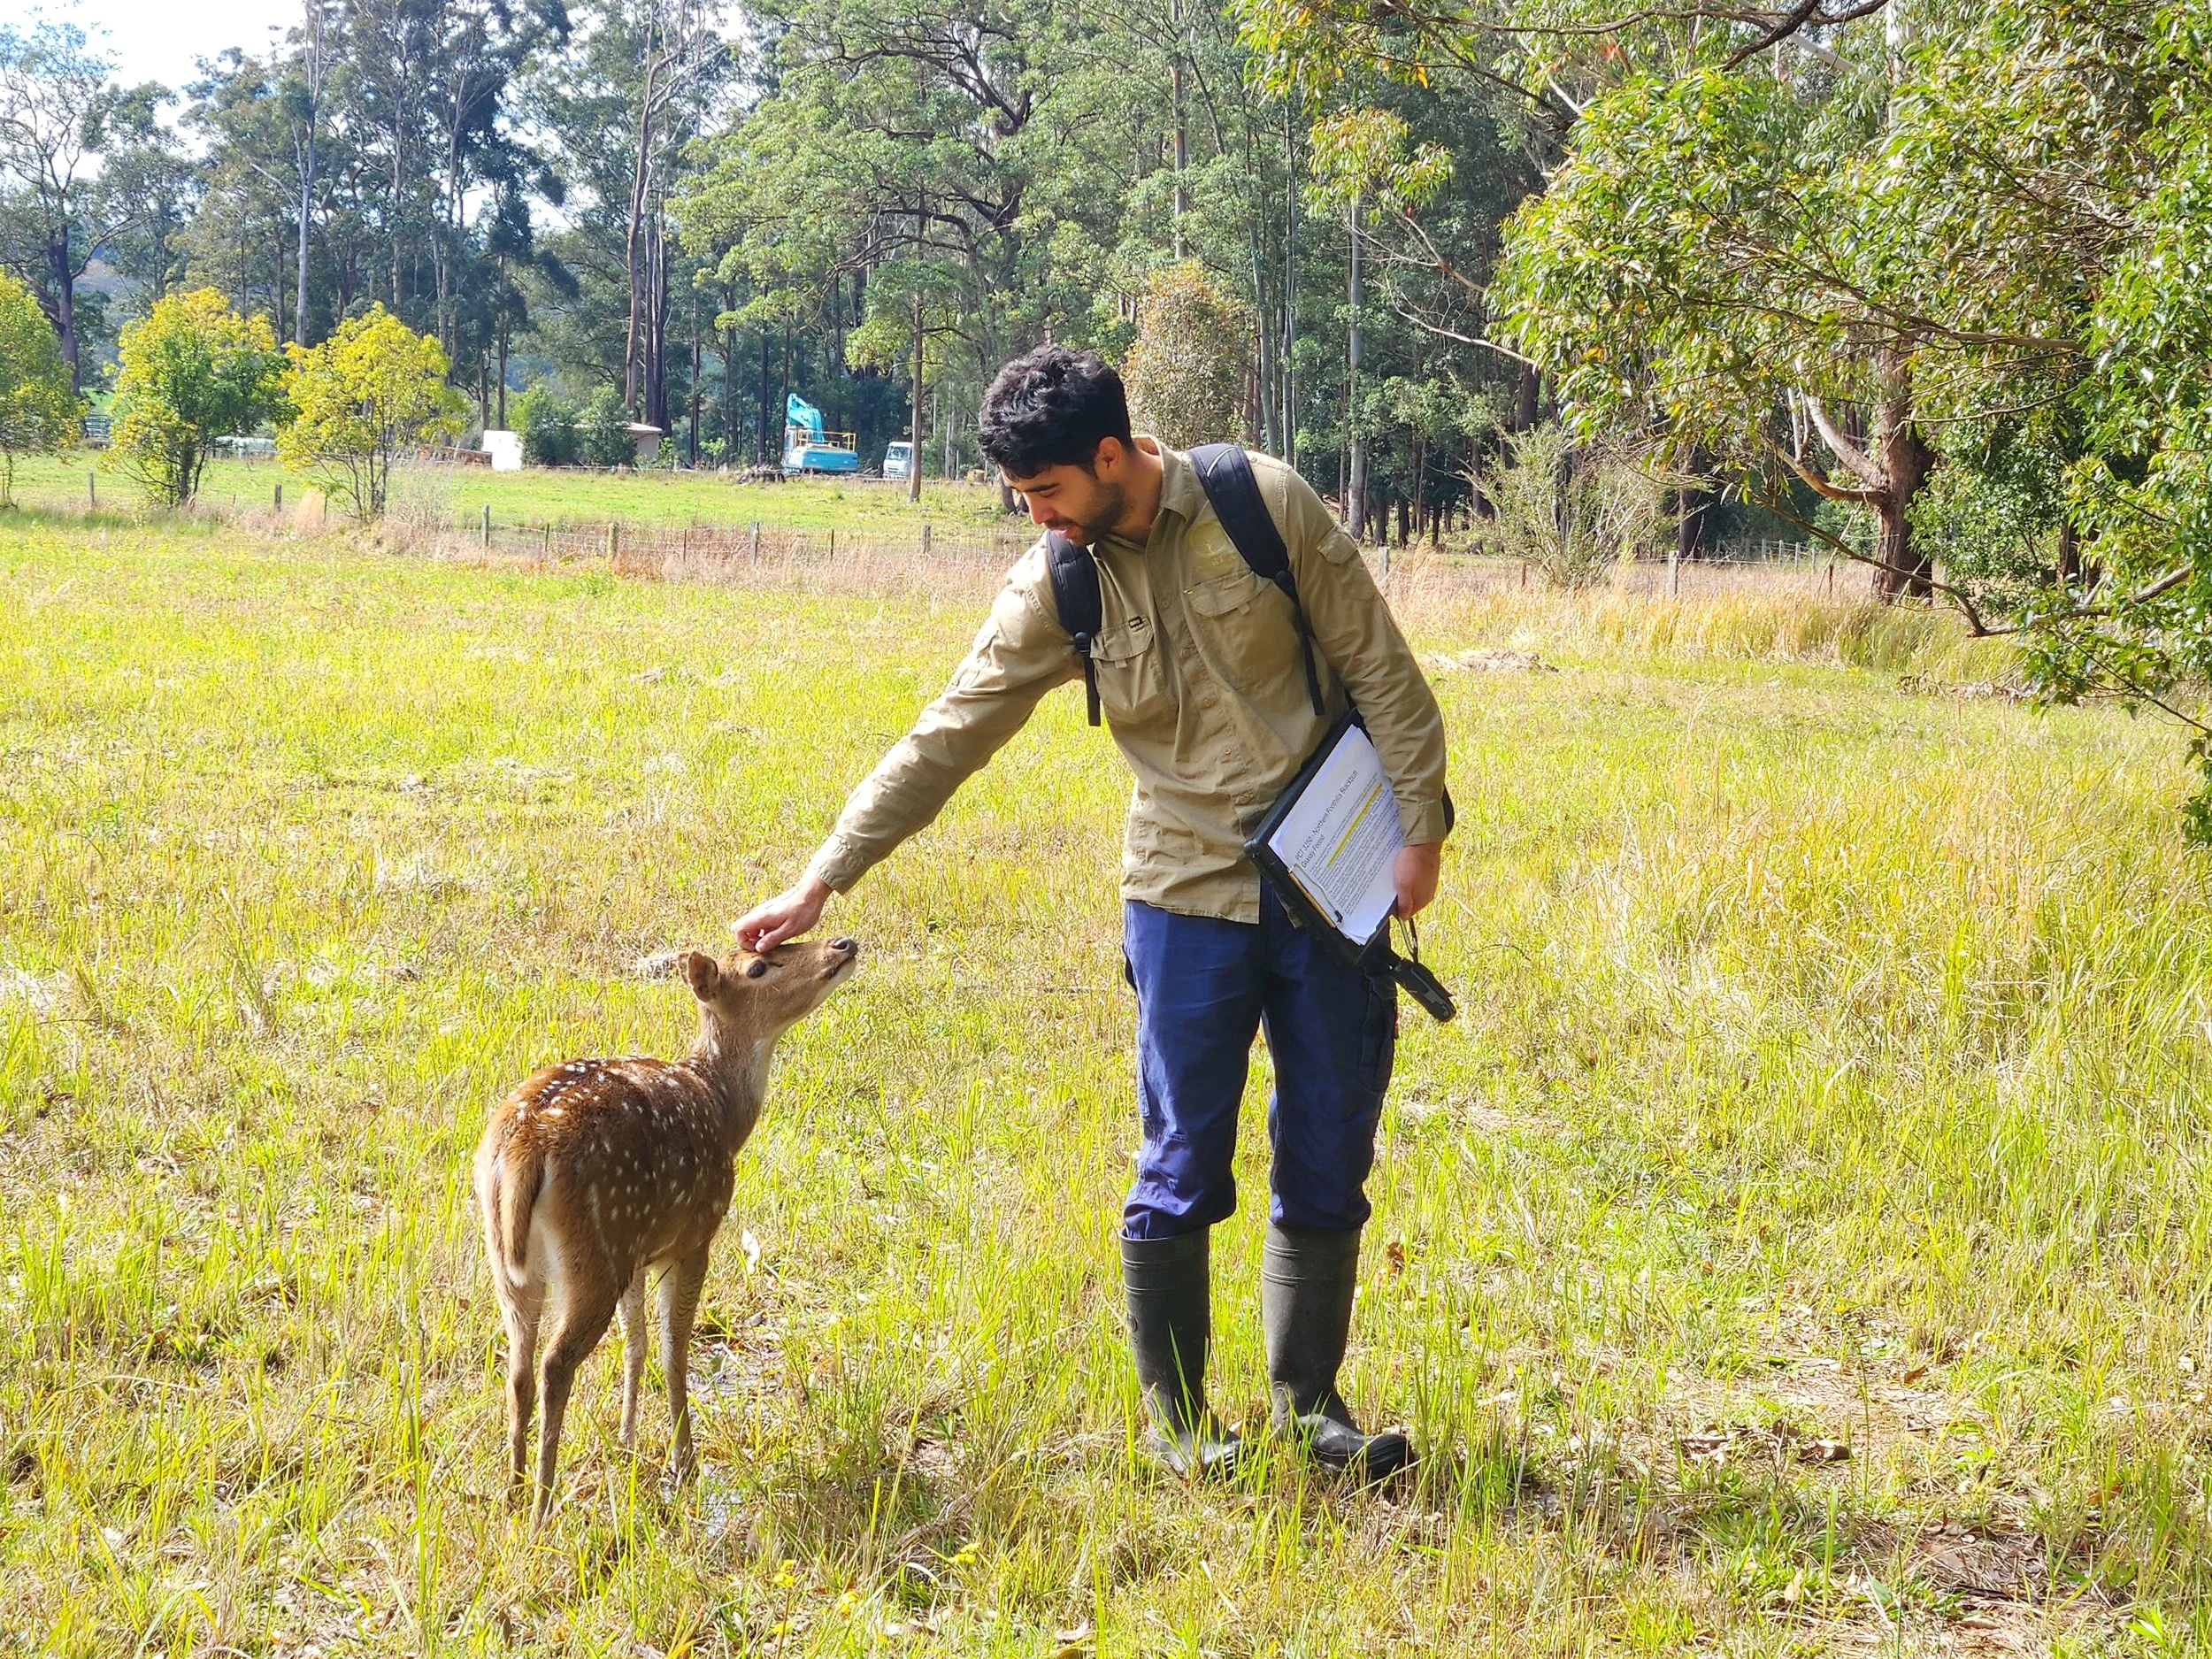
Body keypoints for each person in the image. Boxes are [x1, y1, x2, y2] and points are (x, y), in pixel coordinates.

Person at [736, 346, 1448, 1479]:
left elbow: (1381, 665)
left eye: (1048, 491)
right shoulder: (1054, 581)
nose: (1037, 516)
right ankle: (1180, 1429)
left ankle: (1310, 1411)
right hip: (1181, 895)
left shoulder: (1259, 506)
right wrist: (825, 876)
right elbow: (948, 731)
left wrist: (1420, 831)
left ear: (1111, 455)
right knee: (1180, 1159)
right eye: (1022, 498)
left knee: (1327, 1147)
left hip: (1331, 882)